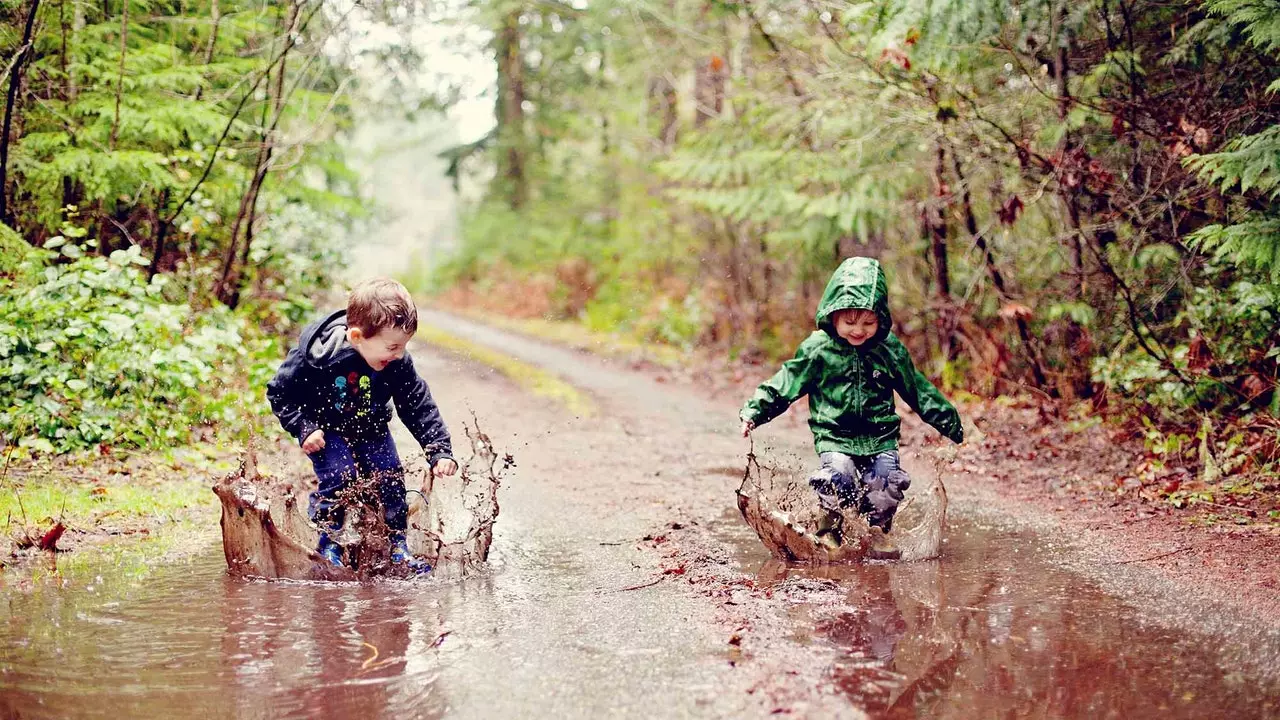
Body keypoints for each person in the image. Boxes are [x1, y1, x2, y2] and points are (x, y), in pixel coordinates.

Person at [739, 257, 962, 547]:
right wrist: (755, 411)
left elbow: (917, 389)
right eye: (850, 322)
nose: (859, 330)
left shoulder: (888, 350)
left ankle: (878, 532)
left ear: (880, 319)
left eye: (869, 322)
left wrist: (948, 421)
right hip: (835, 435)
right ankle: (828, 528)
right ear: (833, 315)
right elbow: (785, 383)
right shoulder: (818, 350)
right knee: (837, 476)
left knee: (886, 481)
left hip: (879, 436)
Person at [267, 277, 457, 573]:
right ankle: (329, 545)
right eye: (392, 346)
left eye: (403, 347)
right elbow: (279, 393)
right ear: (357, 337)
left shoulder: (397, 363)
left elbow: (417, 404)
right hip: (326, 430)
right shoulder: (318, 357)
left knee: (390, 476)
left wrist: (439, 450)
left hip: (372, 428)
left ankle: (396, 545)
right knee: (340, 478)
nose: (398, 354)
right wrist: (304, 427)